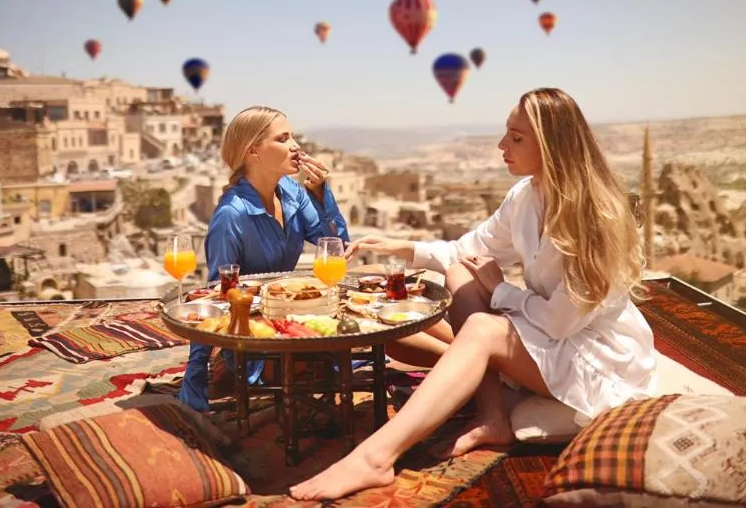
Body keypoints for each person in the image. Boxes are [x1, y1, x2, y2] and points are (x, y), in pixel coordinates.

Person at [290, 87, 657, 501]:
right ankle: (491, 415)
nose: (502, 145)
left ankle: (375, 457)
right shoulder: (526, 196)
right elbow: (468, 251)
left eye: (516, 138)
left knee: (482, 328)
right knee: (458, 274)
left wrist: (500, 289)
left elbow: (559, 320)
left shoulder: (596, 215)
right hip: (549, 335)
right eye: (506, 133)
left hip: (596, 355)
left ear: (553, 146)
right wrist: (400, 249)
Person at [177, 106, 349, 414]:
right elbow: (216, 293)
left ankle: (457, 361)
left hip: (296, 318)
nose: (295, 146)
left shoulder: (292, 192)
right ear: (253, 152)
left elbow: (337, 245)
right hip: (257, 341)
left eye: (292, 136)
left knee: (379, 321)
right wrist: (195, 375)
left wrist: (322, 194)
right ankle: (458, 365)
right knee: (351, 346)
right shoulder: (232, 215)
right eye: (283, 139)